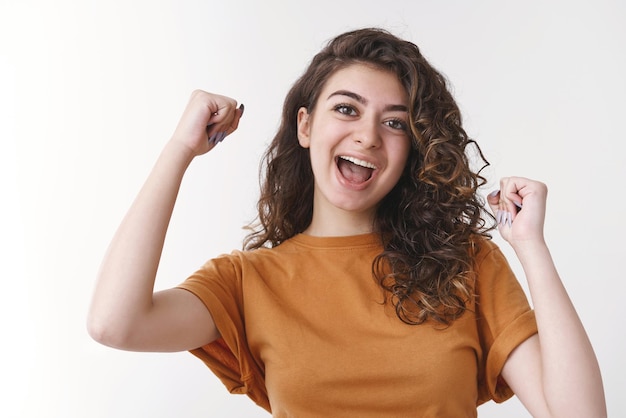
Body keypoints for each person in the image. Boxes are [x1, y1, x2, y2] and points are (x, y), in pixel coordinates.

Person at [87, 28, 606, 417]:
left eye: (395, 122)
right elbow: (115, 324)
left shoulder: (465, 264)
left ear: (412, 148)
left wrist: (530, 245)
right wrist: (180, 149)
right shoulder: (249, 281)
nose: (368, 136)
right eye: (347, 109)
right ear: (306, 125)